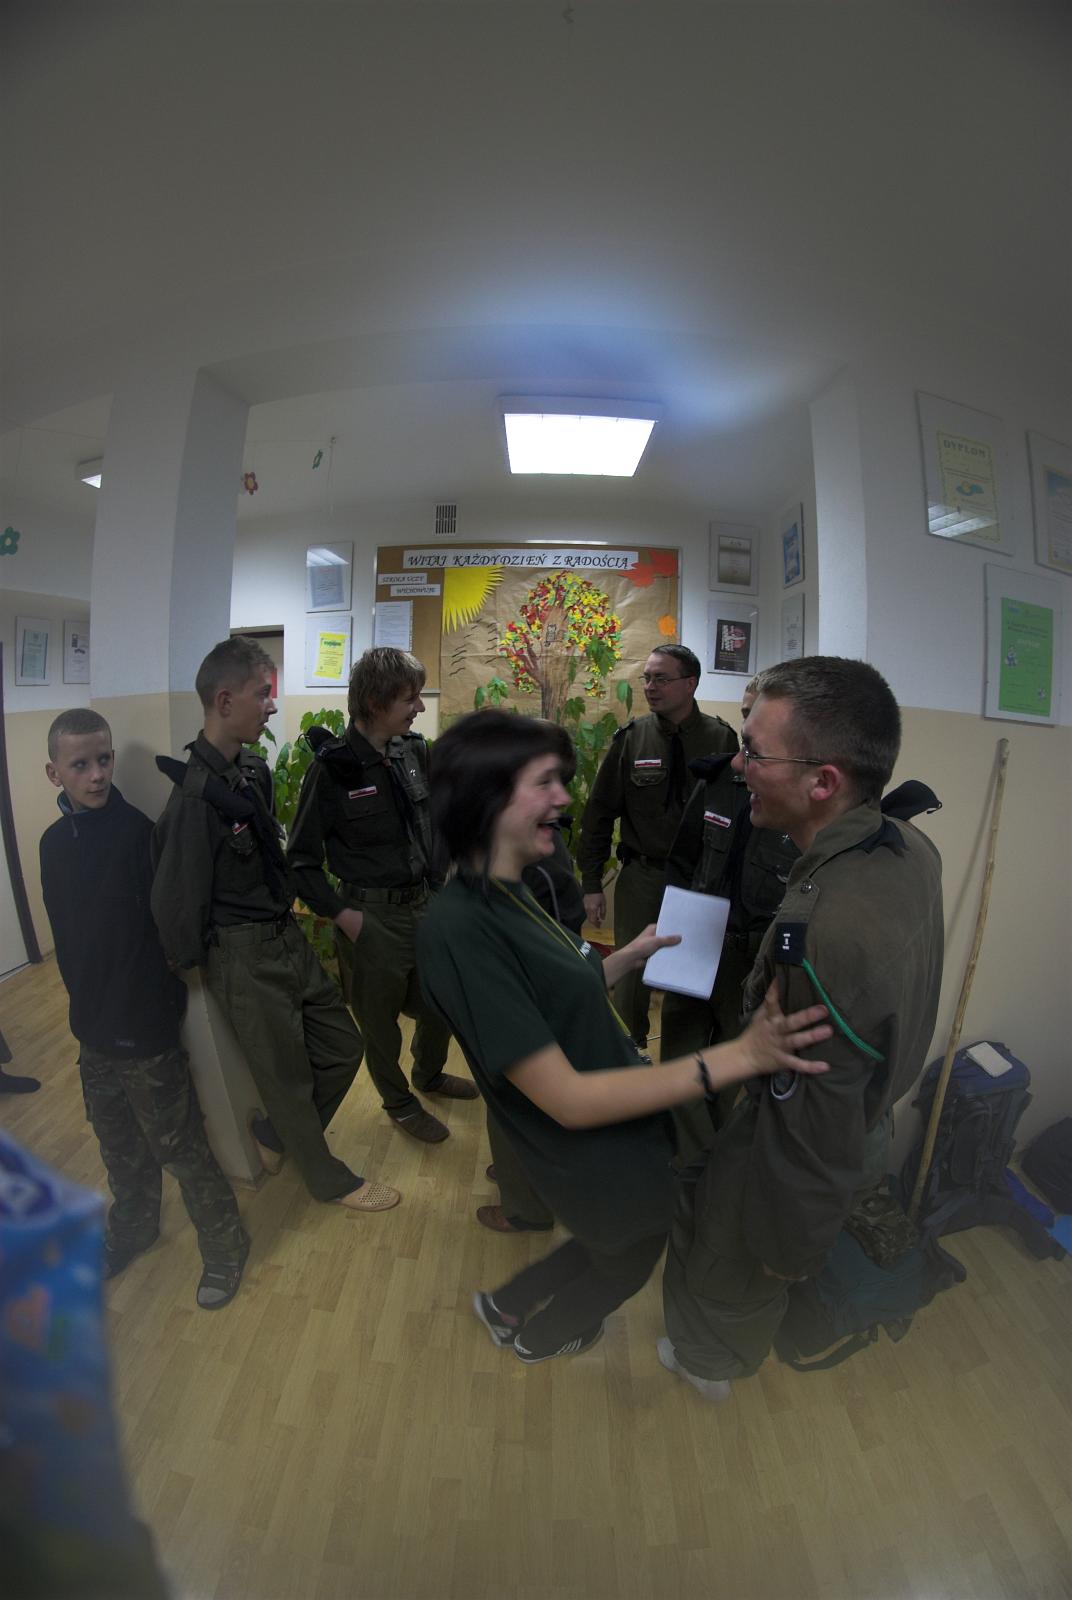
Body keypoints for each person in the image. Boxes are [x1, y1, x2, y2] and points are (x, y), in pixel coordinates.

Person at [418, 710, 832, 1365]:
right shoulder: (465, 928)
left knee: (614, 1241)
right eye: (543, 783)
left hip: (615, 1138)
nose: (563, 798)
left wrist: (628, 956)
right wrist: (737, 1056)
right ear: (485, 797)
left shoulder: (508, 892)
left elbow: (554, 994)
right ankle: (540, 1337)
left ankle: (507, 1305)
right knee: (632, 1252)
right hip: (586, 1149)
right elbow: (568, 1099)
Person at [660, 657, 944, 1401]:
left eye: (755, 752)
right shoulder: (905, 845)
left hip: (793, 1142)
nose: (739, 766)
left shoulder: (826, 933)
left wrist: (788, 1246)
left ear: (823, 782)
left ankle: (708, 1366)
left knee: (726, 1260)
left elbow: (811, 1126)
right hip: (859, 1117)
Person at [151, 636, 400, 1214]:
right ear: (224, 700)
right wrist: (199, 968)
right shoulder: (193, 801)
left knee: (343, 1045)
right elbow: (178, 897)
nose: (271, 705)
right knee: (285, 1079)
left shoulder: (253, 772)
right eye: (263, 694)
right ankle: (327, 1179)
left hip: (284, 934)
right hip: (242, 953)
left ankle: (278, 1136)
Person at [39, 708, 249, 1308]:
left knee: (180, 1146)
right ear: (55, 773)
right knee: (118, 1144)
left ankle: (225, 1242)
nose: (97, 774)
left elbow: (167, 932)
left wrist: (155, 1004)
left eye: (103, 759)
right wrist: (84, 1005)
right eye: (81, 764)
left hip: (144, 1027)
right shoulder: (52, 845)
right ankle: (133, 1226)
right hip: (93, 1028)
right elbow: (69, 937)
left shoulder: (138, 834)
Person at [287, 647, 473, 1145]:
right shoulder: (331, 770)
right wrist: (343, 915)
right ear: (375, 701)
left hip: (425, 905)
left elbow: (437, 821)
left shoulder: (413, 752)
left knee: (442, 1000)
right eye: (410, 698)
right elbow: (300, 861)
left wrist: (445, 882)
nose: (419, 707)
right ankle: (399, 1102)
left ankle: (428, 1074)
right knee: (380, 1024)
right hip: (370, 917)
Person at [661, 676, 799, 1157]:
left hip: (752, 959)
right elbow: (682, 859)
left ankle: (705, 1165)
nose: (747, 724)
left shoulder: (798, 799)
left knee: (729, 1072)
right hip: (696, 939)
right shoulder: (721, 779)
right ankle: (691, 1161)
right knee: (677, 1058)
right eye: (745, 713)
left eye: (757, 713)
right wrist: (672, 929)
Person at [577, 644, 737, 1049]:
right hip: (644, 876)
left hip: (699, 881)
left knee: (687, 978)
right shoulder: (633, 739)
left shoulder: (721, 738)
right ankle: (627, 1055)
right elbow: (599, 814)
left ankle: (679, 1064)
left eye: (661, 678)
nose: (650, 686)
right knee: (631, 979)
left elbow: (735, 812)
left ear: (690, 683)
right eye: (647, 678)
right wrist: (591, 883)